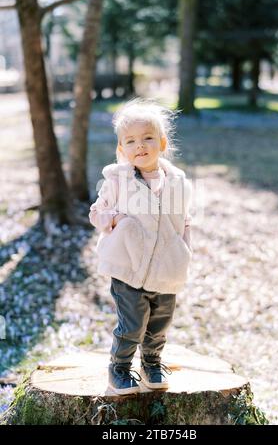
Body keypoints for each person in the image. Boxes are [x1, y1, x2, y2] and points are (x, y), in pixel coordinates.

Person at [89, 97, 193, 395]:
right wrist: (117, 218)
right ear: (121, 149)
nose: (140, 146)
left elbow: (184, 222)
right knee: (132, 323)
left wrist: (184, 254)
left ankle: (151, 363)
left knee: (159, 323)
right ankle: (119, 368)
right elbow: (96, 212)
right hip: (129, 266)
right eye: (130, 141)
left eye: (148, 138)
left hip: (166, 267)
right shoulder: (118, 180)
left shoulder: (177, 182)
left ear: (162, 143)